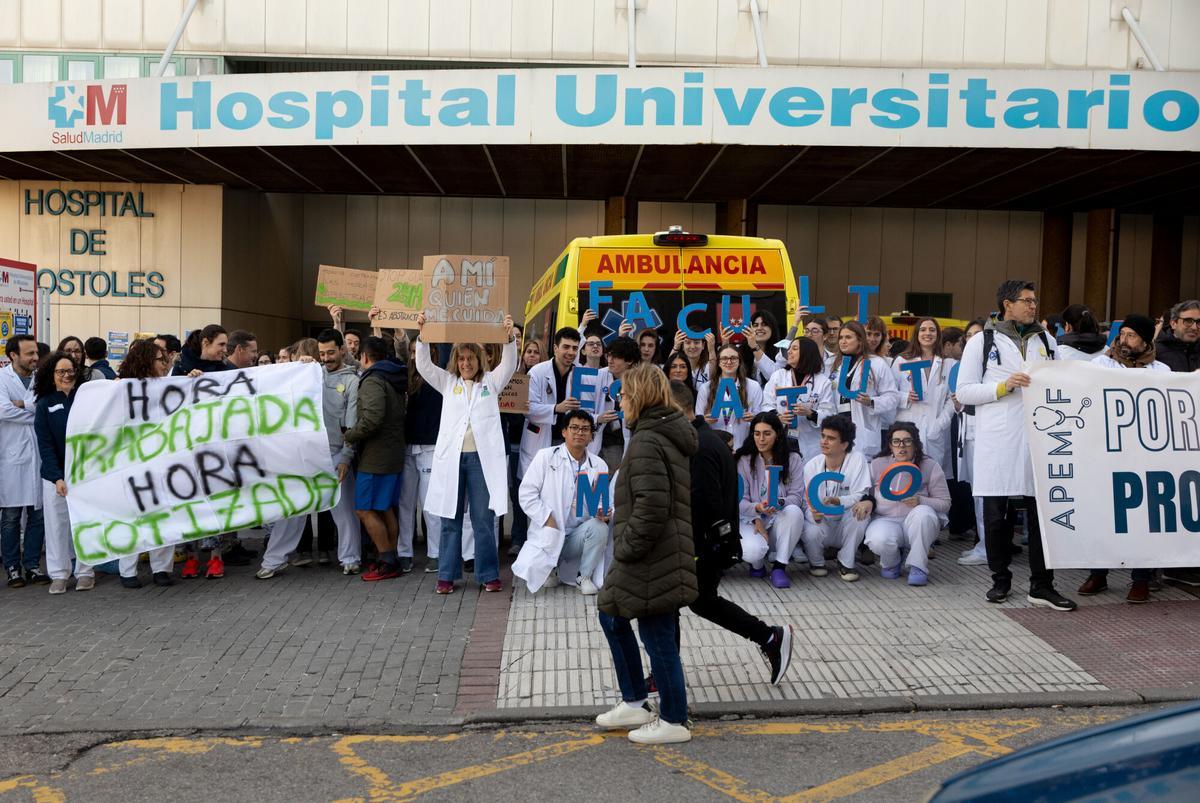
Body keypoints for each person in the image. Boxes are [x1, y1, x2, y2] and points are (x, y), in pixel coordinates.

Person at [956, 280, 1076, 611]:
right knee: (996, 515)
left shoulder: (1046, 340)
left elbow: (1065, 379)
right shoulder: (983, 341)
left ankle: (1041, 585)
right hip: (998, 438)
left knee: (1042, 514)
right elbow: (964, 391)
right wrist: (1003, 386)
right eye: (1027, 300)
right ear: (1008, 304)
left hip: (1041, 437)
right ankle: (1000, 580)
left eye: (1035, 300)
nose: (1033, 306)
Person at [595, 363, 697, 745]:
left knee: (655, 635)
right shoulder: (654, 433)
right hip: (657, 550)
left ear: (637, 396)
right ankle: (635, 700)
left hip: (651, 553)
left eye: (622, 395)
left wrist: (625, 546)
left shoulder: (648, 439)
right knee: (614, 616)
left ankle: (672, 719)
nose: (618, 401)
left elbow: (653, 506)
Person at [670, 381, 792, 685]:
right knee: (702, 602)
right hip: (710, 543)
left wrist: (688, 547)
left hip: (702, 544)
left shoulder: (699, 445)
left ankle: (664, 673)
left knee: (670, 602)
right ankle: (769, 637)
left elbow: (704, 503)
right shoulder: (706, 439)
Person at [416, 313, 517, 594]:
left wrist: (509, 338)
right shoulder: (448, 383)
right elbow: (423, 365)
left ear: (479, 361)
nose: (466, 363)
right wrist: (423, 336)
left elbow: (510, 363)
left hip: (481, 462)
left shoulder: (491, 384)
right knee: (450, 517)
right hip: (453, 460)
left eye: (471, 358)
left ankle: (487, 574)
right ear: (456, 362)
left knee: (484, 519)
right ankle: (447, 575)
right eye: (461, 359)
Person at [1077, 314, 1169, 603]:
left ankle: (1140, 579)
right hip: (1105, 453)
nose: (1124, 340)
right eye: (1122, 334)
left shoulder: (1161, 370)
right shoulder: (1100, 365)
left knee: (1142, 517)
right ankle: (1099, 573)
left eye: (1131, 335)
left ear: (1145, 340)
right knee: (1104, 513)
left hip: (1144, 457)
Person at [258, 330, 364, 579]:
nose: (326, 358)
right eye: (322, 353)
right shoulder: (310, 374)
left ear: (342, 350)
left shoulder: (352, 381)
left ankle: (350, 558)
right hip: (304, 455)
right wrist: (299, 366)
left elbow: (351, 424)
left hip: (336, 453)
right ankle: (273, 560)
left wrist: (347, 459)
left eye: (330, 352)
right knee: (293, 509)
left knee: (344, 510)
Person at [515, 410, 610, 595]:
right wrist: (547, 519)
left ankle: (584, 576)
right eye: (574, 428)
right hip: (550, 531)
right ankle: (550, 568)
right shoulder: (546, 456)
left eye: (585, 429)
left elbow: (600, 502)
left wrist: (602, 512)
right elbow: (526, 494)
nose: (579, 433)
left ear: (591, 436)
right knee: (547, 568)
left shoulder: (599, 465)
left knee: (600, 527)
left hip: (577, 537)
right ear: (564, 432)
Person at [343, 336, 407, 581]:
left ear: (366, 357)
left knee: (364, 509)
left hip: (376, 456)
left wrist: (350, 435)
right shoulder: (394, 374)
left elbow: (372, 419)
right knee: (386, 508)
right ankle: (390, 559)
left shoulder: (373, 380)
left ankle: (387, 560)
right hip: (392, 452)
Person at [114, 339, 177, 588]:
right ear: (145, 361)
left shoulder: (169, 386)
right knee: (132, 514)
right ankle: (127, 569)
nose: (165, 364)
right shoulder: (120, 388)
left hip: (162, 458)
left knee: (164, 512)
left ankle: (161, 567)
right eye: (161, 360)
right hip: (130, 459)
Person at [862, 422, 951, 587]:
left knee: (923, 514)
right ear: (890, 445)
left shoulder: (930, 465)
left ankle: (918, 566)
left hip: (916, 521)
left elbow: (945, 503)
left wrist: (921, 500)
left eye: (907, 441)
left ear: (916, 444)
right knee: (877, 539)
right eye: (896, 441)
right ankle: (892, 560)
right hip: (886, 519)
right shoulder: (877, 464)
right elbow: (865, 494)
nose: (901, 446)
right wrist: (867, 501)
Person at [33, 350, 91, 593]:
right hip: (54, 475)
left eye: (70, 371)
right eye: (61, 371)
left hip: (84, 473)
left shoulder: (86, 399)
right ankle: (59, 574)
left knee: (85, 523)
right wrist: (57, 477)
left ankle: (86, 571)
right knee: (57, 526)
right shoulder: (45, 403)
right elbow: (44, 444)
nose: (66, 375)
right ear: (52, 374)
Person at [736, 412, 807, 588]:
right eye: (757, 433)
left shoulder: (793, 459)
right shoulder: (743, 460)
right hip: (750, 519)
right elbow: (739, 500)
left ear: (777, 434)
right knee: (754, 551)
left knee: (795, 512)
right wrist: (757, 513)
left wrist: (777, 503)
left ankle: (779, 567)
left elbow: (796, 497)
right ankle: (757, 564)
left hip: (778, 518)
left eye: (767, 433)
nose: (761, 439)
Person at [798, 415, 872, 581]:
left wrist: (839, 501)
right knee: (809, 526)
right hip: (822, 522)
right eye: (823, 436)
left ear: (844, 444)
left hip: (845, 520)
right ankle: (816, 562)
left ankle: (846, 562)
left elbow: (860, 494)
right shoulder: (812, 465)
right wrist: (813, 514)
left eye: (831, 438)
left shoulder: (857, 460)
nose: (824, 441)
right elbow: (805, 501)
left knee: (861, 513)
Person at [2, 335, 47, 588]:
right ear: (13, 356)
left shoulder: (41, 379)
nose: (35, 358)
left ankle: (31, 565)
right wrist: (34, 410)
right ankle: (12, 567)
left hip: (37, 456)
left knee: (37, 516)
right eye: (29, 354)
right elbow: (3, 411)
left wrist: (24, 405)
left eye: (36, 353)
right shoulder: (2, 379)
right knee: (10, 517)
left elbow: (47, 407)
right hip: (12, 457)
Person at [892, 318, 955, 476]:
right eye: (923, 329)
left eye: (932, 330)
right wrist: (906, 397)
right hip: (907, 424)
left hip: (935, 427)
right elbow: (889, 393)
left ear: (938, 334)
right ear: (917, 334)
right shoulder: (902, 360)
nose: (928, 333)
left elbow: (951, 399)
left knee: (932, 477)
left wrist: (940, 424)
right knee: (905, 473)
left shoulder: (949, 364)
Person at [830, 320, 901, 459]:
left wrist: (871, 402)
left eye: (848, 337)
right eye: (841, 338)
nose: (843, 341)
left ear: (860, 341)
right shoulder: (835, 364)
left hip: (863, 429)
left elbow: (892, 397)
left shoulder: (876, 363)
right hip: (838, 428)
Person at [762, 336, 836, 461]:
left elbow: (830, 414)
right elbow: (766, 405)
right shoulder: (778, 376)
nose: (789, 351)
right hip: (781, 438)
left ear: (807, 353)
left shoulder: (822, 382)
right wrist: (777, 417)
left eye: (794, 348)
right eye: (789, 348)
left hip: (810, 443)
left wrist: (810, 413)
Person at [520, 327, 580, 476]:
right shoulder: (536, 372)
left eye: (574, 348)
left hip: (568, 442)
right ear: (555, 348)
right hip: (540, 440)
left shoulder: (581, 374)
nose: (571, 352)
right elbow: (528, 410)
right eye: (566, 347)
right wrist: (555, 408)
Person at [695, 343, 763, 447]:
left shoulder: (753, 386)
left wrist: (754, 417)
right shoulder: (705, 388)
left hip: (744, 445)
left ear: (739, 361)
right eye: (724, 358)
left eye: (733, 358)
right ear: (718, 362)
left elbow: (761, 418)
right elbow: (698, 419)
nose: (729, 362)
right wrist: (704, 420)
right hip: (715, 447)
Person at [592, 336, 640, 472]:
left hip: (620, 444)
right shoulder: (599, 375)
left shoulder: (640, 382)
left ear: (629, 360)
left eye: (616, 357)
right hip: (596, 439)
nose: (610, 360)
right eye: (609, 355)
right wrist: (598, 418)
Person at [1155, 299, 1200, 374]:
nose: (1194, 327)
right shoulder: (1154, 353)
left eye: (1199, 322)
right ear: (1173, 323)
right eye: (1188, 321)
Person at [747, 309, 784, 384]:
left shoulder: (781, 352)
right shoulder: (740, 351)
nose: (759, 328)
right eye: (755, 325)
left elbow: (775, 378)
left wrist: (755, 347)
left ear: (772, 328)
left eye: (764, 324)